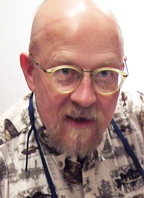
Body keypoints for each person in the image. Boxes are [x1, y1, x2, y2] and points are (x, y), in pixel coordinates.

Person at [0, 0, 144, 197]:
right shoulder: (4, 158)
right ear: (30, 72)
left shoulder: (138, 119)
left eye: (104, 74)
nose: (85, 98)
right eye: (65, 71)